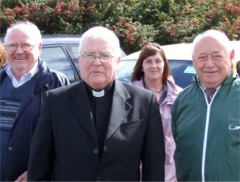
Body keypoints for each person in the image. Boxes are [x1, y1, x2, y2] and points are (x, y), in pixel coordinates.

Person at [27, 26, 165, 181]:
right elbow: (39, 165)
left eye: (105, 55)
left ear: (117, 61)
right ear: (80, 60)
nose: (97, 62)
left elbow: (154, 166)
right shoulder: (55, 101)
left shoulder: (144, 102)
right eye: (89, 55)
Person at [0, 21, 69, 181]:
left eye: (26, 45)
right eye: (12, 45)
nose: (19, 51)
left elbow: (66, 138)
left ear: (39, 47)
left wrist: (39, 170)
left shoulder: (56, 83)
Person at [171, 29, 240, 181]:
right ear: (194, 61)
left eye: (217, 56)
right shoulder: (182, 100)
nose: (209, 64)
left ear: (231, 56)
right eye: (202, 57)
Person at [131, 42, 181, 182]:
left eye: (158, 61)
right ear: (141, 66)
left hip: (172, 173)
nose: (154, 66)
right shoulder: (129, 97)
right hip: (139, 172)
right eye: (148, 61)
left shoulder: (180, 97)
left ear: (164, 64)